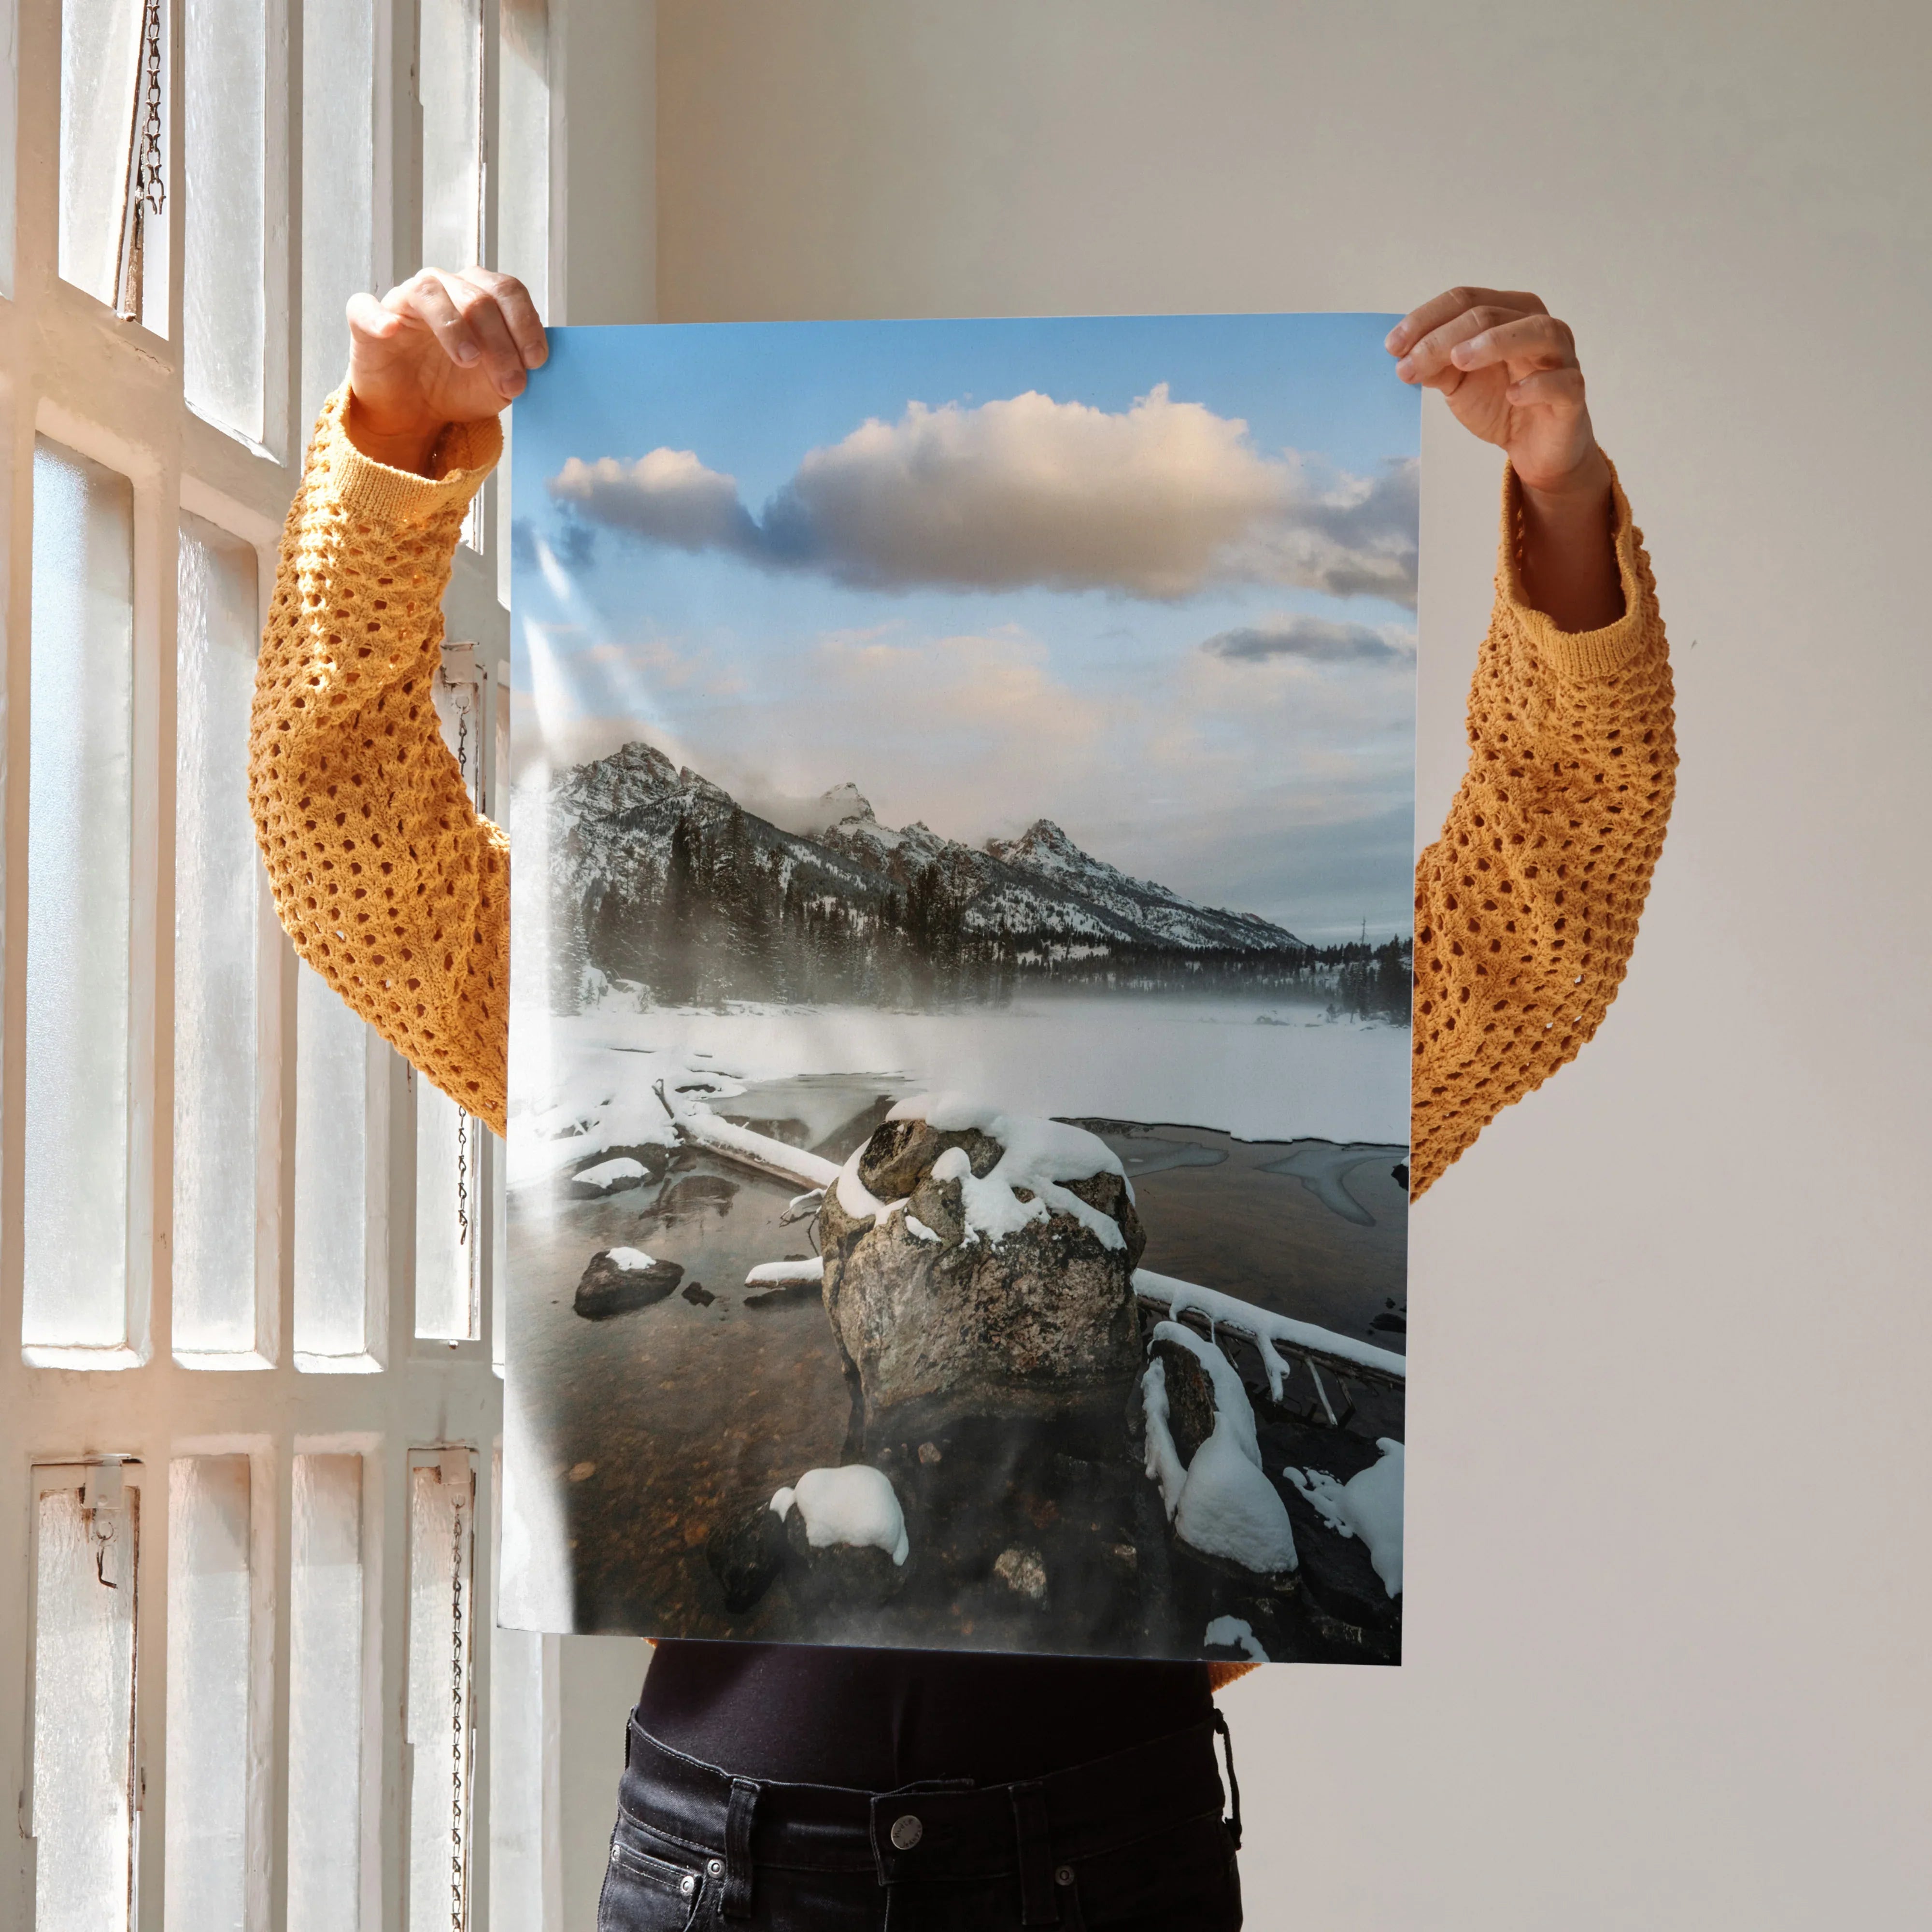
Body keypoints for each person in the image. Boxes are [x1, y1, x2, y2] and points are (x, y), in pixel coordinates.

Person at [250, 269, 1675, 1931]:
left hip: (1100, 1850)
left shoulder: (1157, 1136)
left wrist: (1561, 499)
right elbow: (345, 840)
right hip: (734, 1860)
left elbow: (1545, 908)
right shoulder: (592, 1024)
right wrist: (391, 448)